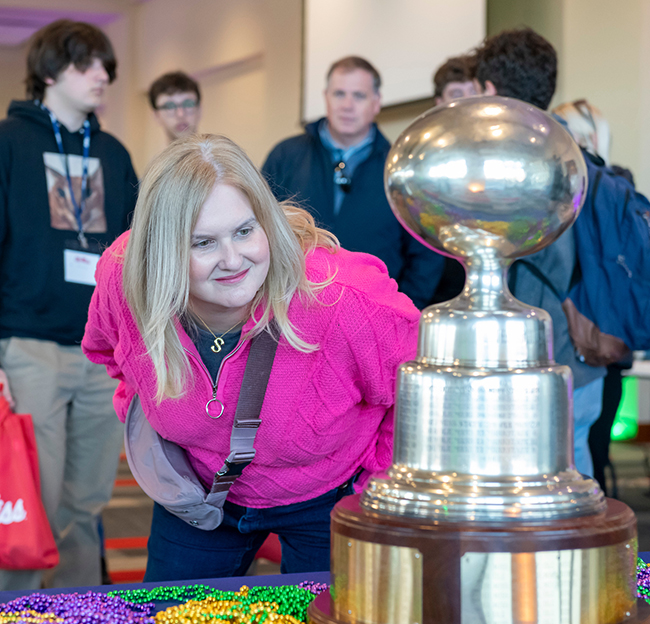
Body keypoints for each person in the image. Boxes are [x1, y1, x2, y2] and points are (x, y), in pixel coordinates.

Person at [82, 133, 420, 580]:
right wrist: (159, 417)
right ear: (162, 253)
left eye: (244, 231)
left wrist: (373, 484)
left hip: (330, 497)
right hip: (201, 495)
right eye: (202, 243)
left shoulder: (344, 301)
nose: (233, 259)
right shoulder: (126, 278)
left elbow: (420, 390)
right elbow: (111, 351)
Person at [0, 19, 138, 589]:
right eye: (88, 64)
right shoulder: (9, 142)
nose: (103, 75)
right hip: (30, 345)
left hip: (101, 352)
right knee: (36, 497)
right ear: (51, 71)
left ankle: (79, 606)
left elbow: (135, 251)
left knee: (87, 504)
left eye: (107, 65)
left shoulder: (112, 152)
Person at [474, 28, 607, 477]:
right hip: (584, 352)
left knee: (529, 480)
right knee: (575, 471)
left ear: (490, 89)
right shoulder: (578, 153)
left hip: (530, 356)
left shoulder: (508, 159)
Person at [262, 56, 443, 309]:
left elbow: (426, 255)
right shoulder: (285, 156)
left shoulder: (403, 168)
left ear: (376, 103)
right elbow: (259, 231)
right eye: (339, 94)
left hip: (376, 316)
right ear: (326, 97)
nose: (347, 105)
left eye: (358, 96)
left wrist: (399, 309)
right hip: (291, 311)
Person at [430, 54, 477, 304]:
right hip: (435, 288)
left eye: (474, 91)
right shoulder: (424, 157)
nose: (468, 101)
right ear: (440, 103)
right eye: (457, 93)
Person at [148, 71, 202, 143]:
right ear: (156, 115)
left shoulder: (220, 153)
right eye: (170, 106)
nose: (181, 114)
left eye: (188, 104)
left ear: (199, 110)